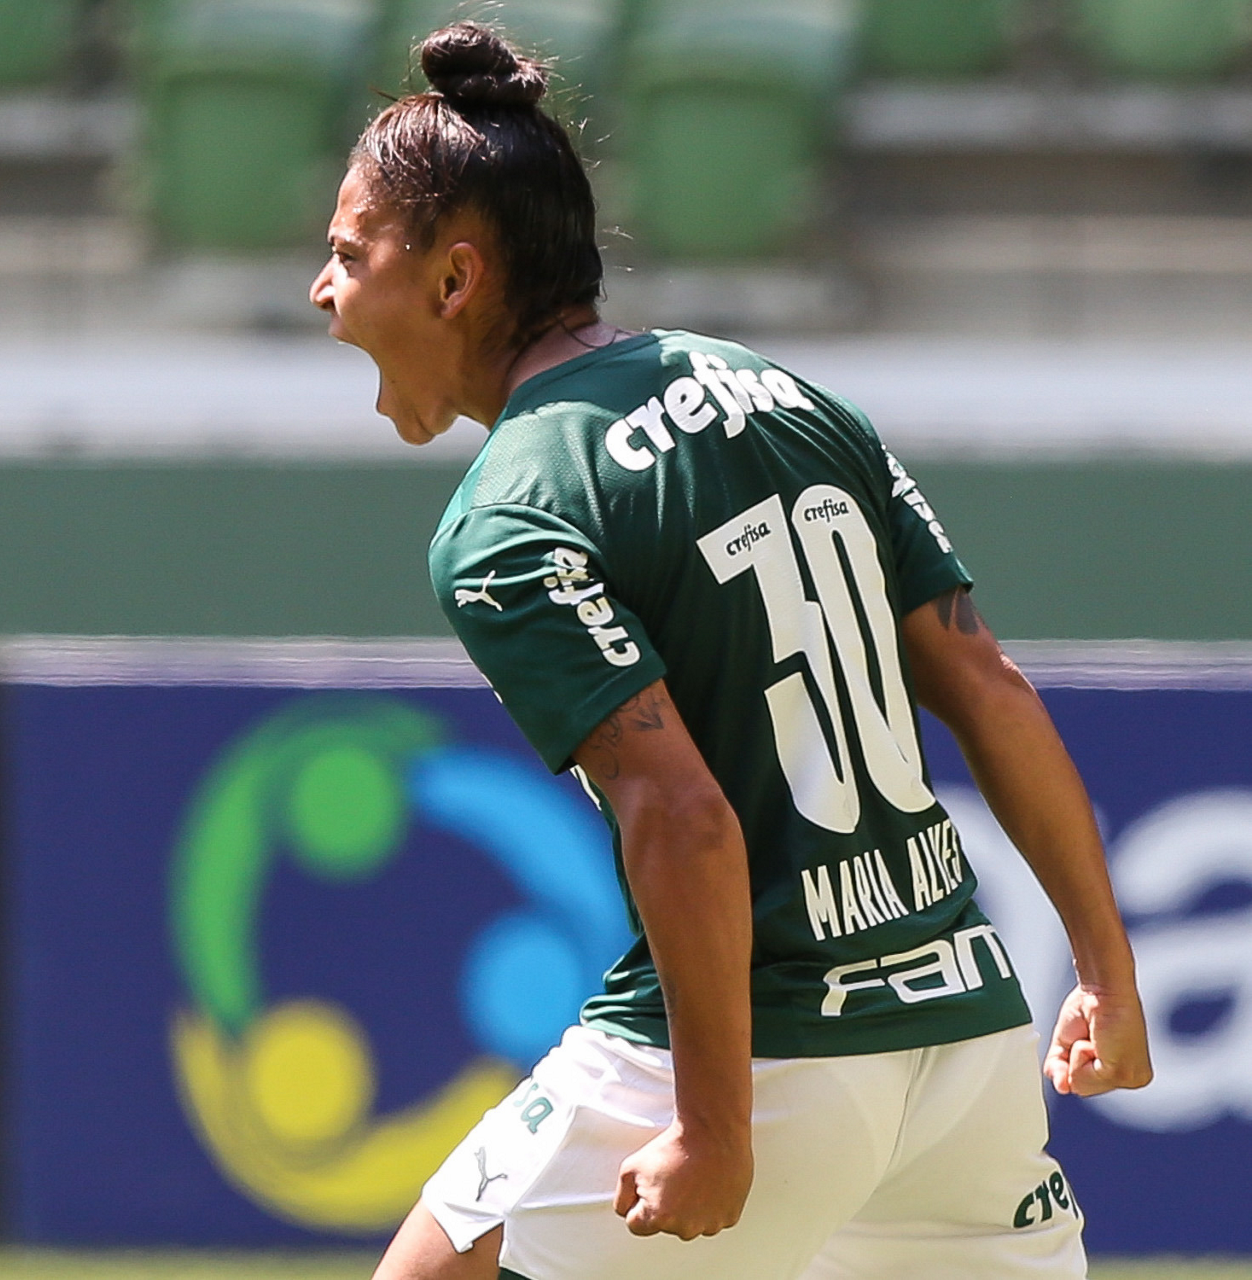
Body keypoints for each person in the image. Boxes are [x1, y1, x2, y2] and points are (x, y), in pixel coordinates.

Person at [309, 21, 1152, 1280]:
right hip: (963, 1038)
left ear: (452, 280)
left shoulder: (514, 513)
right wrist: (1106, 976)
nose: (323, 291)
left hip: (771, 1048)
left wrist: (712, 1126)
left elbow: (683, 815)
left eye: (346, 254)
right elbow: (985, 682)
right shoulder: (783, 391)